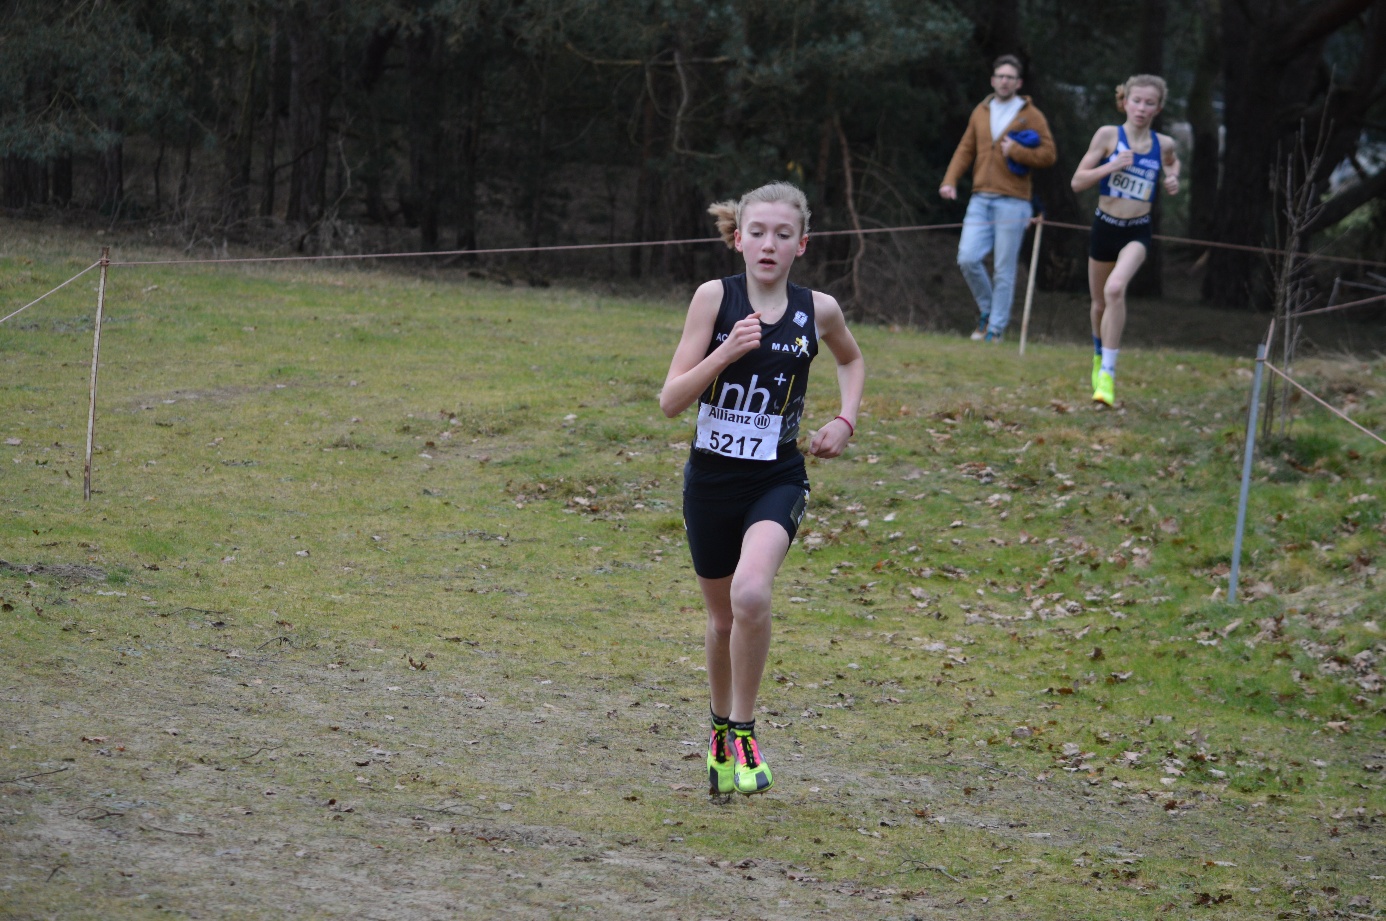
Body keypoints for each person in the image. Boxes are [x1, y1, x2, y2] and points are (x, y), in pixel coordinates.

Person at [659, 181, 865, 796]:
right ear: (738, 239)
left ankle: (744, 729)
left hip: (777, 477)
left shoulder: (817, 308)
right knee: (722, 619)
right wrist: (725, 353)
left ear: (801, 244)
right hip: (710, 482)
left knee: (752, 594)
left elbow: (851, 360)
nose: (768, 244)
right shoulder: (712, 299)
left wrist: (844, 420)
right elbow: (671, 400)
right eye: (756, 232)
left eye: (782, 234)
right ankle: (719, 731)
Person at [1070, 74, 1181, 406]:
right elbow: (1077, 182)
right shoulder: (1107, 136)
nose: (1142, 108)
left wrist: (1173, 178)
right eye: (1136, 101)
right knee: (1099, 304)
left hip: (1136, 232)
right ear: (1125, 102)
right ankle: (1097, 356)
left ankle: (1108, 374)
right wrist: (1111, 166)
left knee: (1116, 289)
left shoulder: (1164, 144)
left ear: (1158, 108)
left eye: (1149, 103)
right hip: (1105, 227)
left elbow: (1174, 164)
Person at [940, 54, 1057, 343]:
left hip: (1014, 200)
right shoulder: (981, 110)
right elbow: (965, 148)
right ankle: (988, 310)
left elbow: (1049, 154)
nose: (1004, 81)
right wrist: (949, 180)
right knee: (967, 258)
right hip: (980, 197)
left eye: (1010, 77)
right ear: (993, 80)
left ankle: (996, 329)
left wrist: (1016, 151)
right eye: (1000, 76)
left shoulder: (1030, 114)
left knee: (1004, 269)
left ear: (1018, 83)